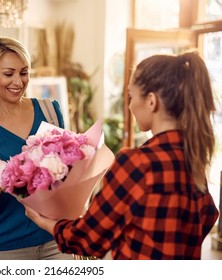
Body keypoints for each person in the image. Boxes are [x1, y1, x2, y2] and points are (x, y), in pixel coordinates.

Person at [25, 51, 219, 260]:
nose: (129, 105)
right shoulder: (193, 159)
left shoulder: (137, 163)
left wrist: (45, 222)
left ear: (151, 101)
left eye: (131, 96)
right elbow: (209, 217)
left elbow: (89, 239)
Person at [0, 36, 73, 260]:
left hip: (55, 240)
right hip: (7, 249)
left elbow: (68, 172)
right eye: (8, 73)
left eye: (24, 72)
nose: (18, 82)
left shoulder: (50, 111)